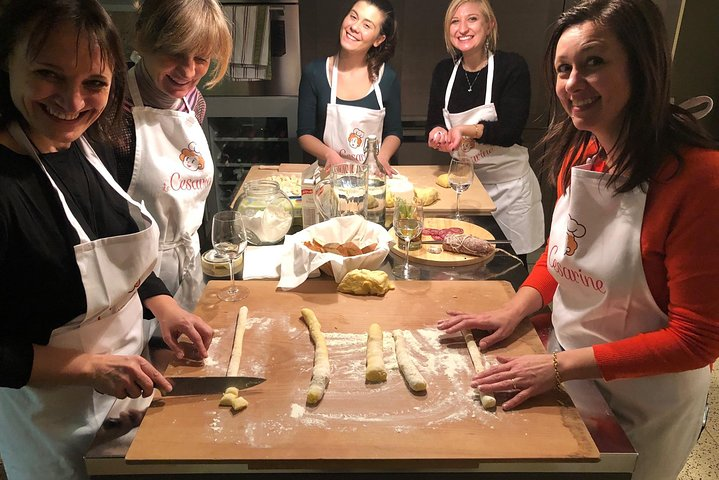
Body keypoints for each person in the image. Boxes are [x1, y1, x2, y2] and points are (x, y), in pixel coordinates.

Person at [437, 1, 719, 479]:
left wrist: (561, 367)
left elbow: (698, 340)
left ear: (641, 63)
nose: (572, 83)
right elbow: (563, 252)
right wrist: (517, 307)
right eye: (563, 69)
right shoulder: (583, 153)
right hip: (567, 368)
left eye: (594, 62)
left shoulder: (698, 181)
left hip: (644, 399)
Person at [0, 1, 214, 479]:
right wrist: (90, 368)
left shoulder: (79, 145)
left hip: (124, 404)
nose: (74, 103)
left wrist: (165, 305)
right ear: (6, 62)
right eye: (49, 75)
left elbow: (117, 256)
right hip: (51, 426)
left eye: (94, 83)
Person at [109, 0, 232, 313]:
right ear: (144, 40)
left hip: (188, 266)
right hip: (129, 279)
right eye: (175, 53)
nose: (188, 71)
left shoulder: (194, 102)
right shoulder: (110, 112)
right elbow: (104, 218)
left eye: (201, 58)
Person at [425, 0, 544, 263]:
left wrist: (463, 130)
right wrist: (437, 134)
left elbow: (509, 131)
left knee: (508, 264)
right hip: (464, 188)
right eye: (454, 22)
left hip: (509, 189)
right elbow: (434, 121)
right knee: (465, 262)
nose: (462, 28)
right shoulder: (444, 71)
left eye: (472, 19)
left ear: (489, 25)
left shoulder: (511, 66)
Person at [297, 0, 402, 174]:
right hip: (328, 177)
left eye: (366, 25)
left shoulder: (387, 78)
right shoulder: (315, 73)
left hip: (371, 176)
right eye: (353, 16)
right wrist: (330, 155)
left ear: (378, 39)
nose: (354, 27)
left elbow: (394, 131)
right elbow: (304, 134)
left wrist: (381, 158)